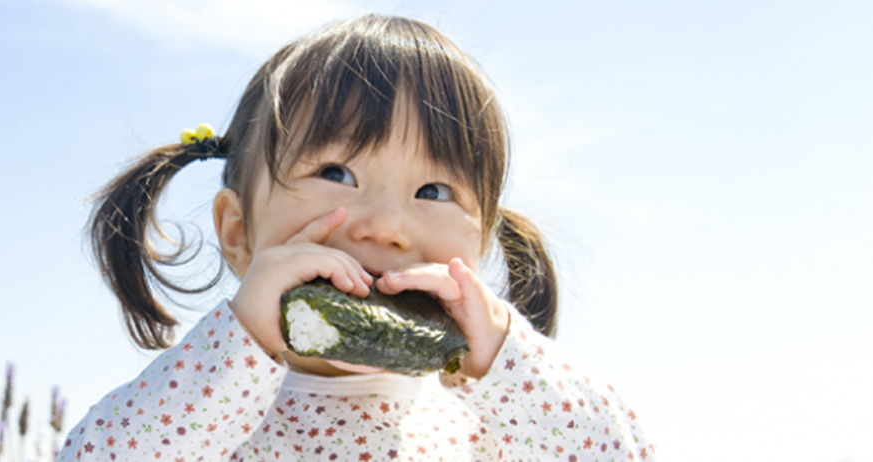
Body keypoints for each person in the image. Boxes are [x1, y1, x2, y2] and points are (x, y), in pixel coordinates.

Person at [68, 14, 655, 462]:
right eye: (335, 174)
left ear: (483, 243)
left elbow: (621, 449)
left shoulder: (500, 419)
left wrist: (504, 354)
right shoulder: (210, 415)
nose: (384, 224)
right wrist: (239, 342)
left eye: (433, 190)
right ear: (239, 232)